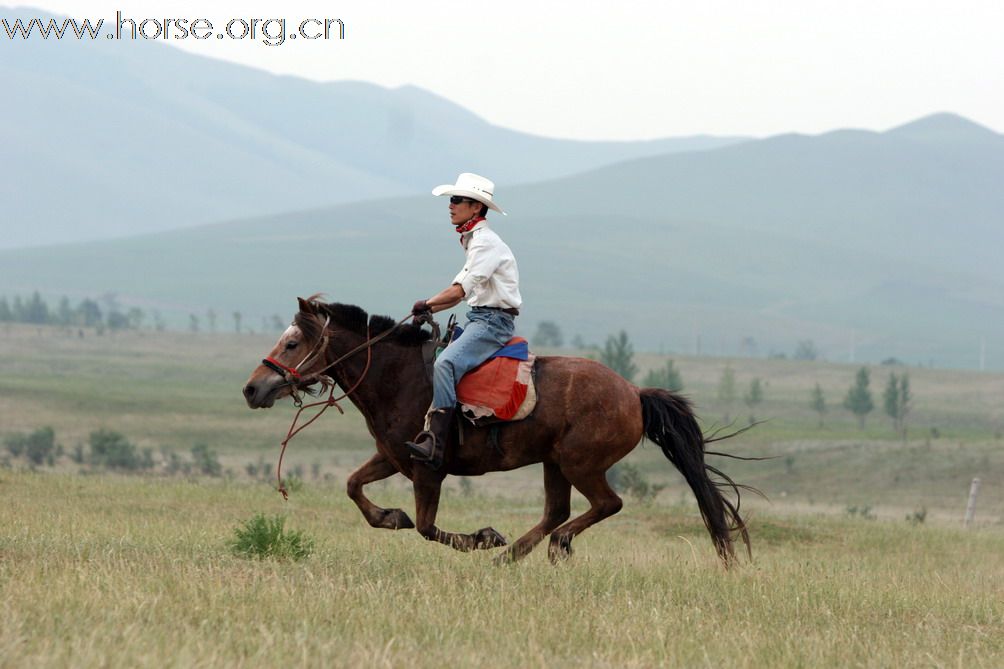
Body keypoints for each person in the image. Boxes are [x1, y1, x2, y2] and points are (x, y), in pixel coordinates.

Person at [406, 173, 522, 469]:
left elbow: (459, 292)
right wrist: (428, 308)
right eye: (451, 199)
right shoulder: (474, 241)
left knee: (445, 364)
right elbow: (456, 293)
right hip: (479, 318)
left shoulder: (486, 243)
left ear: (476, 208)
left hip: (492, 323)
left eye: (457, 200)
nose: (451, 205)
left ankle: (437, 443)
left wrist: (427, 303)